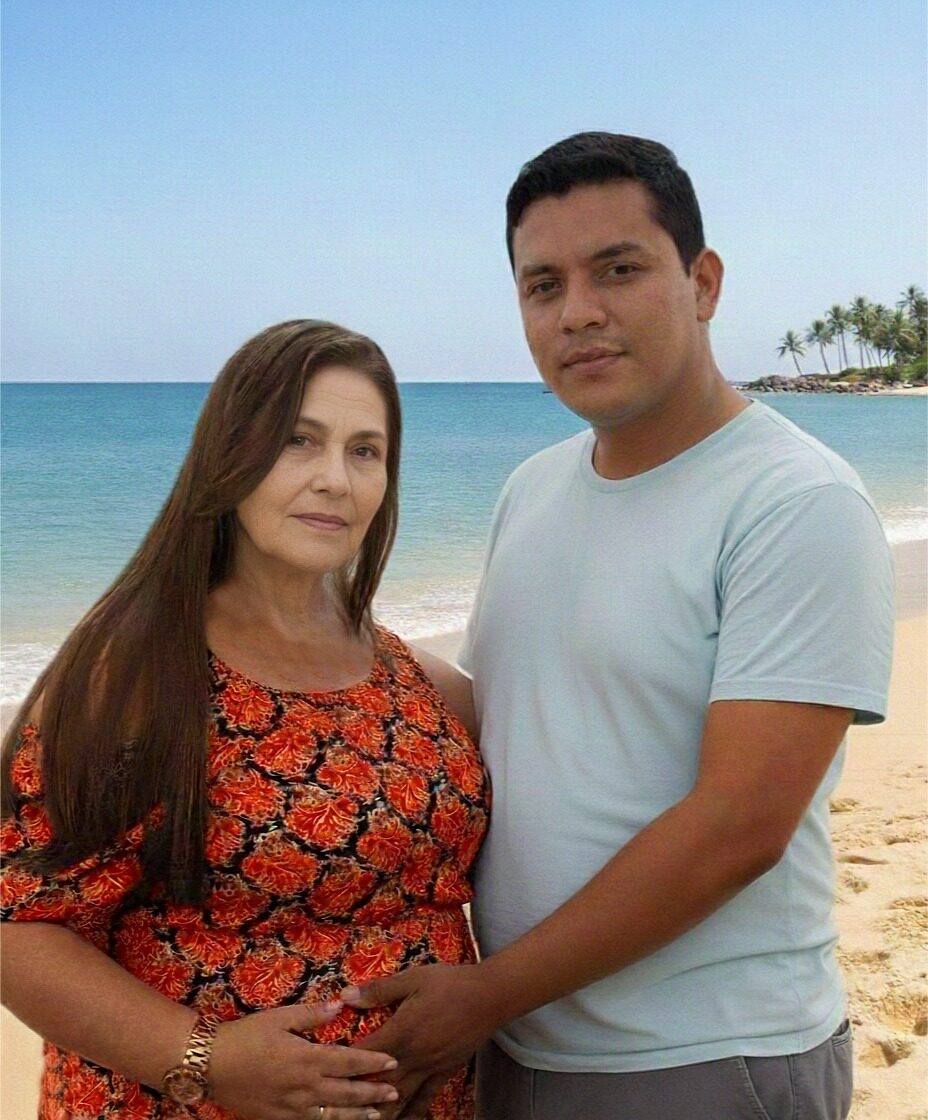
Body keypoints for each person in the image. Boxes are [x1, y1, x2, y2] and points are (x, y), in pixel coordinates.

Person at [338, 134, 895, 1119]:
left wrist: (486, 995)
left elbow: (739, 827)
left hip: (704, 1056)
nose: (578, 312)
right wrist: (323, 633)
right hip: (523, 1040)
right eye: (542, 285)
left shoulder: (793, 501)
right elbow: (515, 717)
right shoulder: (533, 487)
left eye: (619, 270)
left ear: (703, 283)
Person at [1, 320, 489, 1120]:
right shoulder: (133, 680)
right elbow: (20, 925)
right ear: (231, 455)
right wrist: (209, 1059)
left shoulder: (425, 687)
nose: (335, 479)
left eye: (366, 451)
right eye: (300, 441)